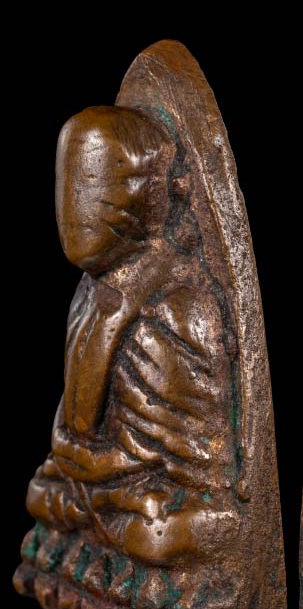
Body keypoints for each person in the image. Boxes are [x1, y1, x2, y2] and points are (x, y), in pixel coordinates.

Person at [27, 105, 240, 564]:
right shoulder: (89, 293)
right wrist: (87, 464)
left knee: (158, 533)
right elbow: (74, 424)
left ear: (153, 192)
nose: (77, 207)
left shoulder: (179, 304)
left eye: (99, 184)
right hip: (104, 486)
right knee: (40, 495)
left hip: (151, 495)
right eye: (71, 185)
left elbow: (199, 460)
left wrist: (110, 466)